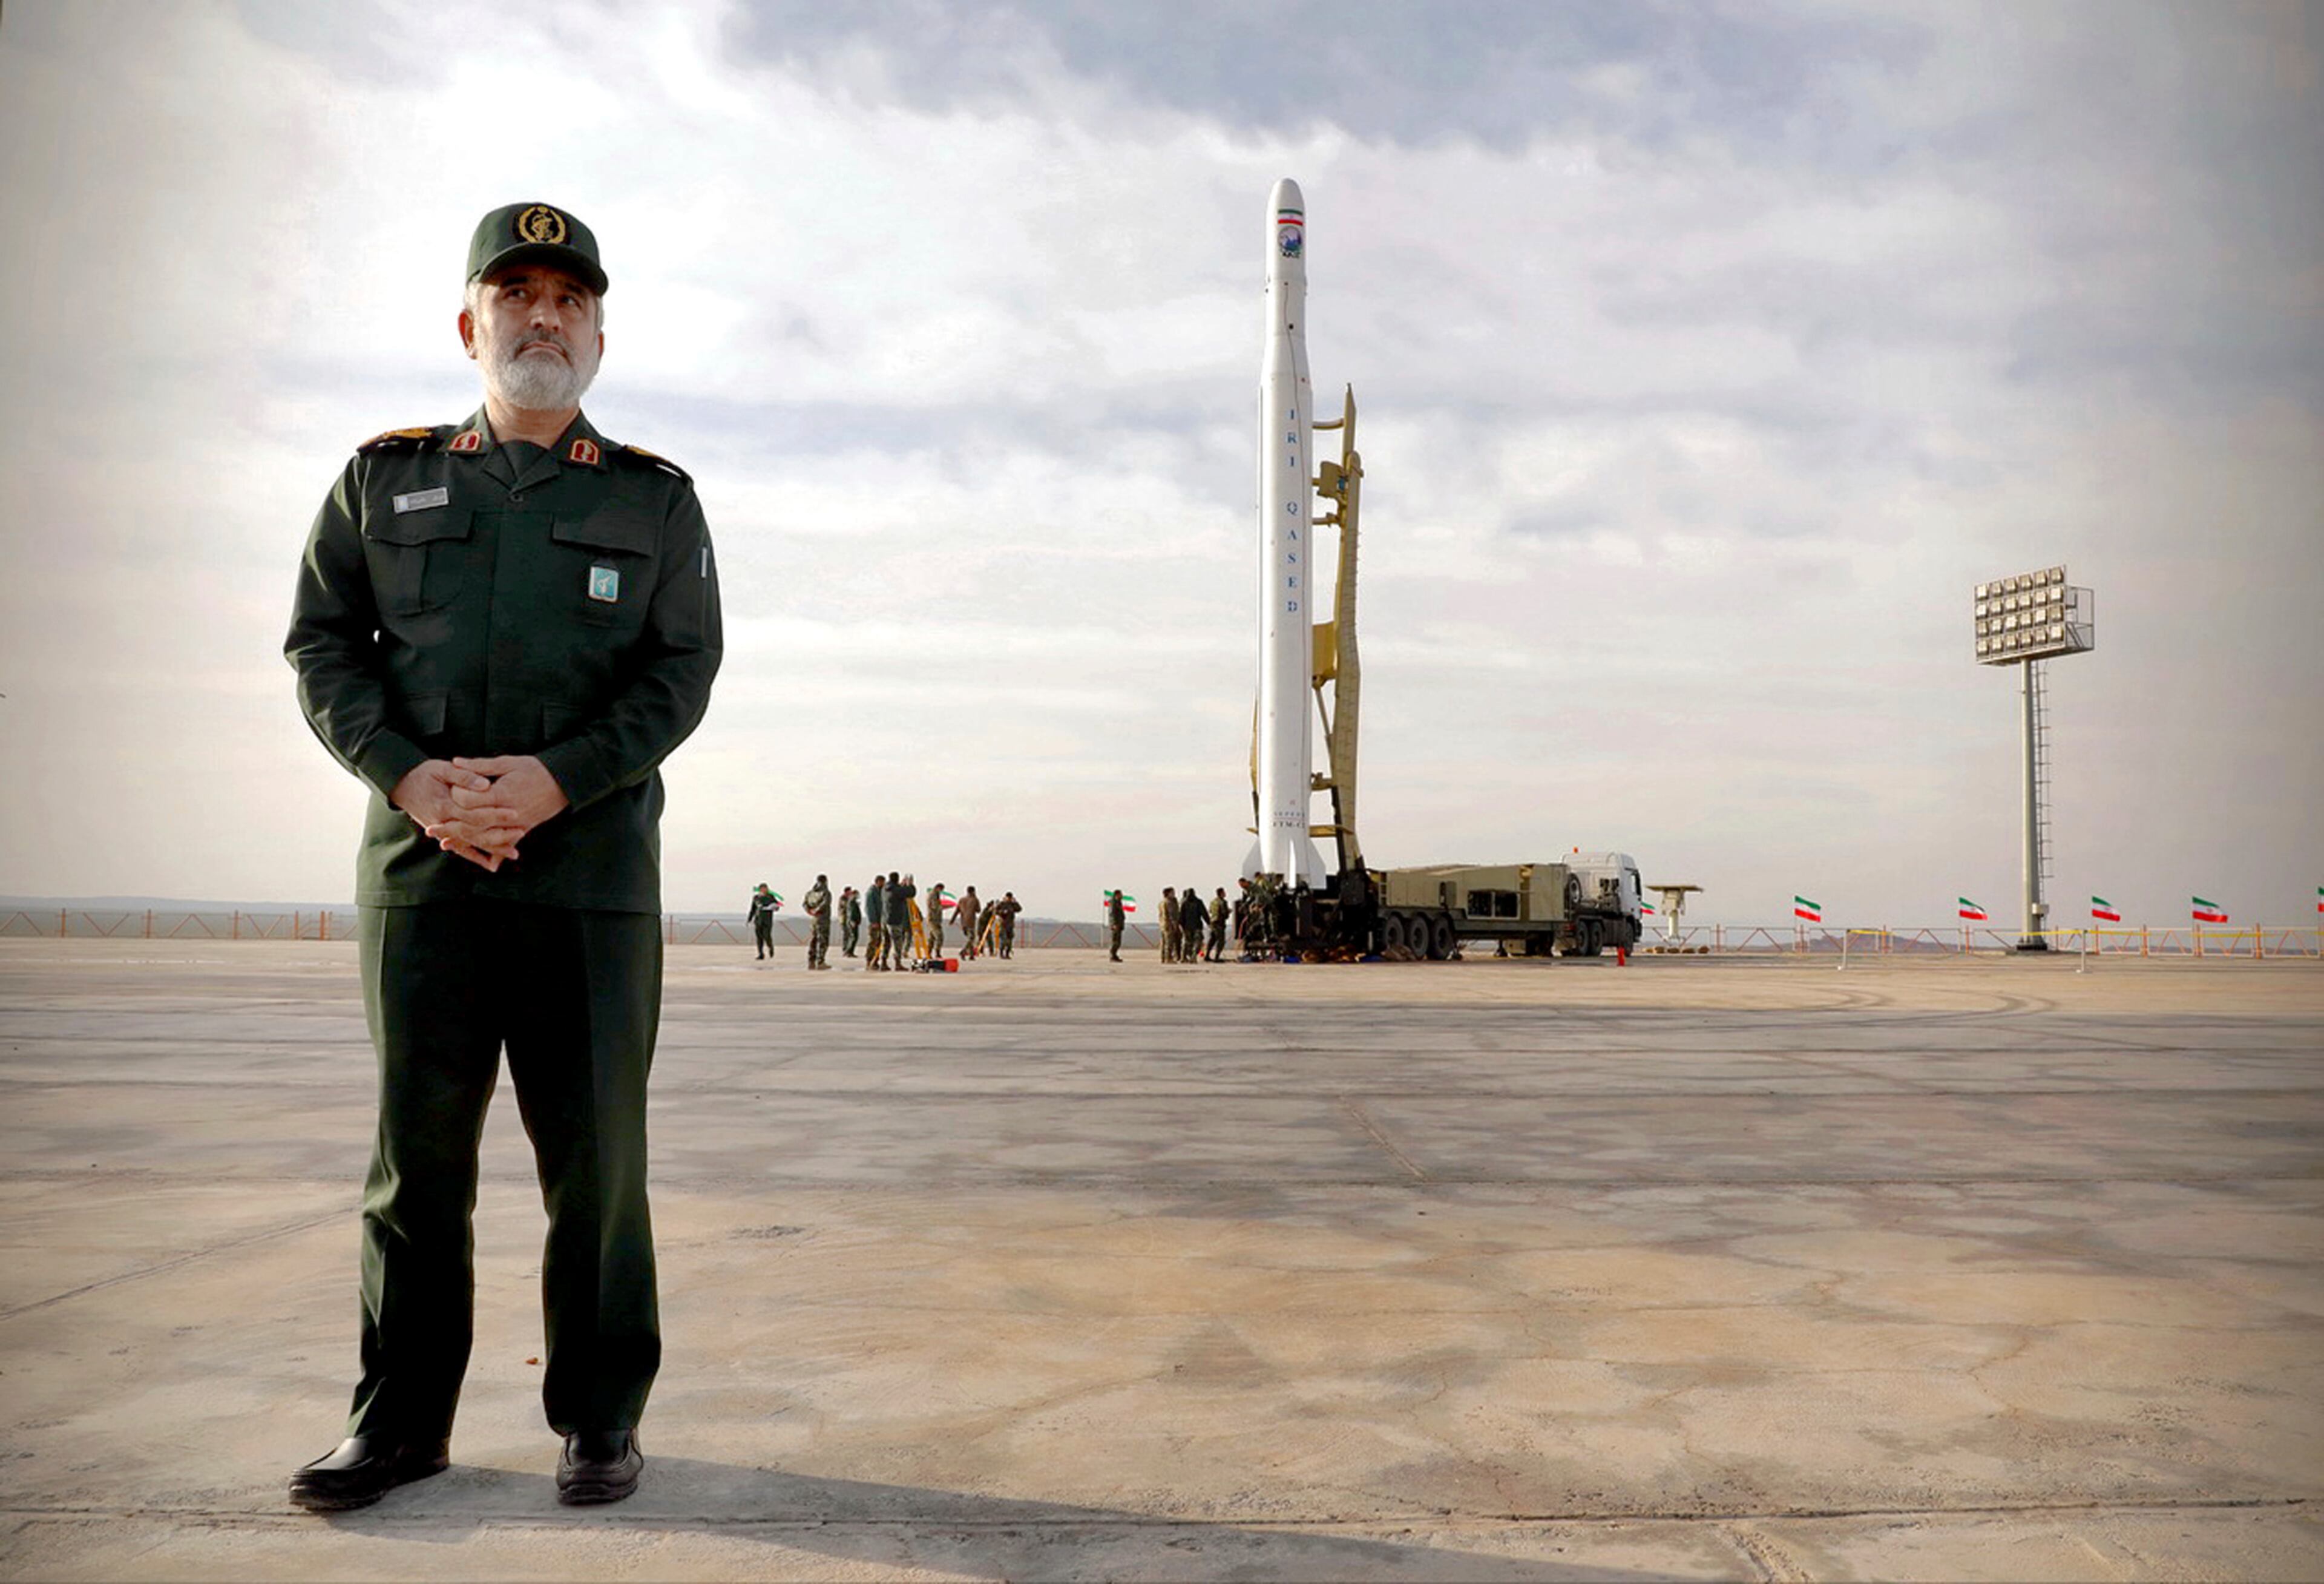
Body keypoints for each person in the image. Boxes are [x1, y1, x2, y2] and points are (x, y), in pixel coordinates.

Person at [283, 202, 719, 1511]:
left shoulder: (654, 498)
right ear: (469, 324)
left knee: (597, 1165)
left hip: (589, 881)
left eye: (570, 299)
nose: (544, 316)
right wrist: (408, 775)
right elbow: (322, 645)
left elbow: (681, 670)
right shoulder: (381, 480)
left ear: (599, 338)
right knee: (415, 1166)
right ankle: (398, 1423)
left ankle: (601, 1416)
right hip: (423, 876)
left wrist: (556, 778)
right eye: (516, 293)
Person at [885, 872, 914, 969]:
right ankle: (898, 963)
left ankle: (883, 962)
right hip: (895, 920)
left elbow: (900, 892)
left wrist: (901, 886)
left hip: (886, 919)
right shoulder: (896, 890)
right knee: (898, 942)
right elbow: (911, 893)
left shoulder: (886, 889)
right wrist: (910, 884)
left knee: (887, 942)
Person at [803, 875, 832, 970]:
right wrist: (817, 911)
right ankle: (820, 961)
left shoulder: (810, 893)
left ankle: (811, 960)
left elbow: (805, 904)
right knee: (823, 940)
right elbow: (825, 904)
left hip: (814, 920)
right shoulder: (826, 893)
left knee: (814, 939)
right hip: (823, 919)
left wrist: (810, 911)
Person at [747, 882, 776, 961]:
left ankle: (771, 948)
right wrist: (749, 919)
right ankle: (761, 954)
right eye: (762, 889)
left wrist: (773, 907)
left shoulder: (770, 897)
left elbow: (776, 906)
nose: (764, 890)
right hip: (758, 920)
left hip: (767, 920)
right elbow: (753, 909)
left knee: (767, 936)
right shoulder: (756, 898)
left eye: (765, 889)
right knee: (759, 938)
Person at [1180, 886, 1208, 964]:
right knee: (1197, 942)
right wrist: (1209, 922)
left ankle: (1184, 957)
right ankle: (1193, 956)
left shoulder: (1184, 903)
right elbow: (1204, 913)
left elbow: (1181, 916)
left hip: (1187, 926)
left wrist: (1181, 925)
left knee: (1186, 942)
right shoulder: (1199, 902)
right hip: (1197, 926)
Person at [864, 874, 886, 971]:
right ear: (878, 882)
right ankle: (869, 960)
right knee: (873, 941)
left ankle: (875, 961)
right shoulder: (871, 892)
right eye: (882, 882)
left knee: (879, 942)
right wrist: (873, 921)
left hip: (881, 921)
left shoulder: (881, 892)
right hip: (874, 922)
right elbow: (869, 908)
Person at [956, 886, 981, 961]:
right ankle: (964, 951)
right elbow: (978, 910)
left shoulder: (962, 900)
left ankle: (971, 955)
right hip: (971, 922)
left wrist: (952, 920)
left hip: (963, 922)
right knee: (971, 938)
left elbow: (957, 911)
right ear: (973, 892)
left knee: (970, 939)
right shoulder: (975, 900)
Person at [925, 881, 948, 959]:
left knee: (932, 938)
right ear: (938, 888)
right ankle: (937, 952)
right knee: (939, 936)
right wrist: (945, 907)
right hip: (933, 920)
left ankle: (928, 953)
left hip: (936, 920)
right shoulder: (933, 895)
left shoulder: (935, 895)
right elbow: (935, 906)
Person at [995, 891, 1021, 958]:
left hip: (1010, 925)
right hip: (1003, 924)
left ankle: (1007, 954)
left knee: (1010, 941)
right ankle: (1001, 953)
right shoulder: (1002, 904)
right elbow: (996, 911)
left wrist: (1015, 902)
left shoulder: (1012, 905)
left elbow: (1019, 909)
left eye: (1010, 898)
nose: (1009, 899)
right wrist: (1002, 912)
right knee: (1003, 940)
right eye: (1008, 898)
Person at [1160, 887, 1181, 962]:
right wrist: (1175, 924)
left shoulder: (1162, 902)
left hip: (1163, 924)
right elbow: (1172, 914)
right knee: (1170, 942)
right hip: (1169, 925)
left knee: (1164, 942)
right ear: (1168, 894)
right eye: (1172, 893)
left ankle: (1163, 958)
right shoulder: (1170, 903)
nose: (1174, 894)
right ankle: (1169, 958)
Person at [1207, 887, 1229, 962]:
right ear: (1221, 893)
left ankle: (1207, 956)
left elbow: (1210, 911)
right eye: (1224, 892)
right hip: (1220, 923)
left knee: (1212, 940)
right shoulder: (1223, 902)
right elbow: (1224, 914)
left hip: (1213, 922)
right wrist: (1228, 912)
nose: (1225, 894)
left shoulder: (1213, 902)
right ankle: (1217, 957)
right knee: (1221, 941)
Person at [839, 887, 861, 958]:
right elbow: (847, 908)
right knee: (847, 935)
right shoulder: (843, 899)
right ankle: (846, 950)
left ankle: (848, 951)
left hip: (848, 919)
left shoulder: (851, 900)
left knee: (851, 936)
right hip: (844, 919)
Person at [1105, 890, 1126, 962]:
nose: (1122, 896)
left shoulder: (1118, 902)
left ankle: (1115, 955)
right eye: (1121, 894)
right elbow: (1112, 914)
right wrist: (1114, 924)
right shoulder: (1113, 903)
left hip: (1119, 924)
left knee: (1118, 942)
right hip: (1116, 925)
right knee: (1115, 941)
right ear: (1117, 895)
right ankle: (1112, 956)